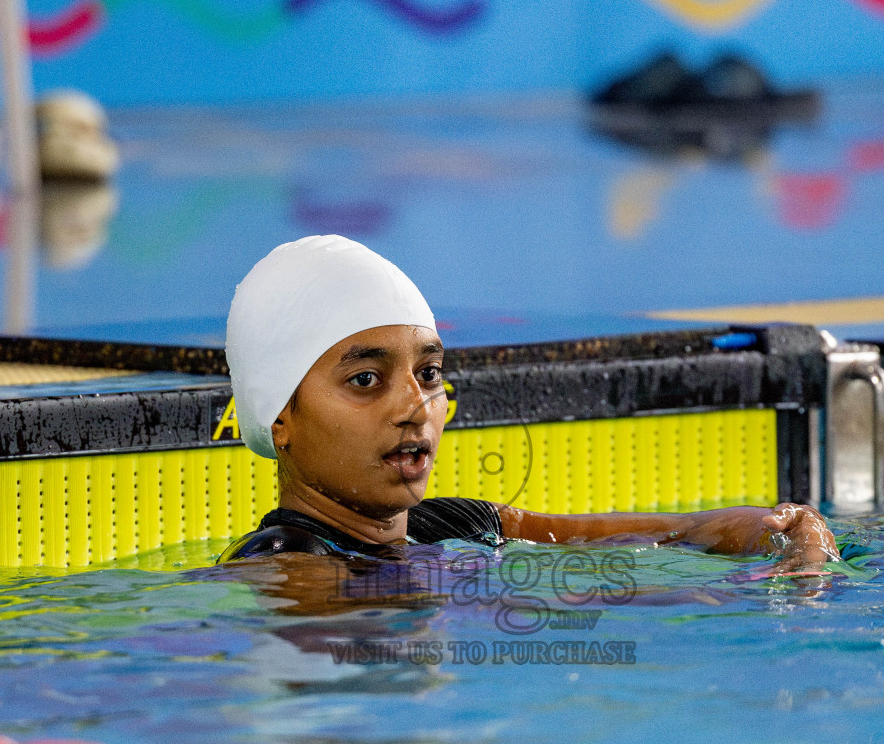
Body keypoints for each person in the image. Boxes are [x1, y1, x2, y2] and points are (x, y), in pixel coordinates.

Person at [219, 235, 839, 571]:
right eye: (365, 381)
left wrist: (775, 530)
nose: (416, 405)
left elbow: (669, 536)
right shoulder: (282, 569)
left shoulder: (459, 526)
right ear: (282, 419)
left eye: (429, 372)